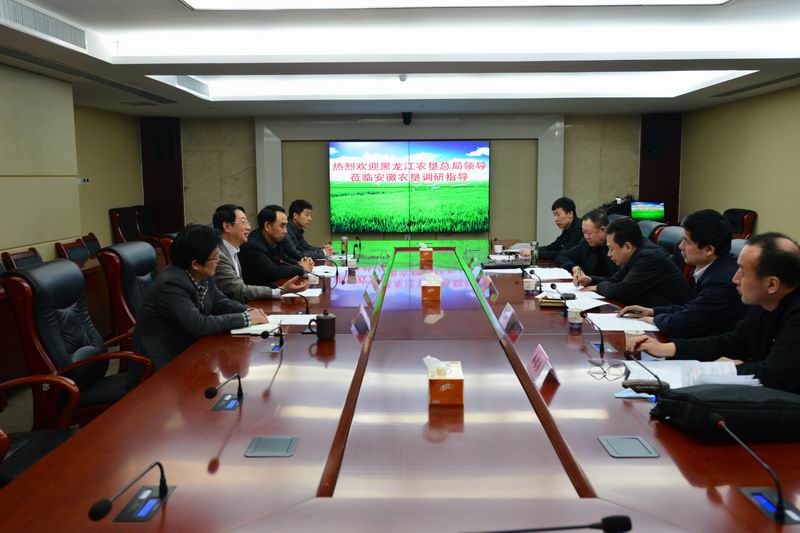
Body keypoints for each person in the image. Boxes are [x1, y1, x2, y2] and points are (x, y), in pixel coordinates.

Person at [630, 233, 800, 393]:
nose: (735, 279)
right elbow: (734, 342)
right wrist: (667, 348)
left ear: (772, 285)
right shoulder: (764, 301)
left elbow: (773, 375)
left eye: (742, 271)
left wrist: (712, 372)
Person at [131, 224, 268, 385]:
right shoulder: (171, 284)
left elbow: (221, 302)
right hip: (163, 366)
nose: (218, 261)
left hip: (192, 351)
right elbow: (198, 324)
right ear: (195, 264)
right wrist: (246, 318)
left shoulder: (202, 274)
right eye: (215, 258)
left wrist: (251, 311)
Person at [618, 210, 747, 338]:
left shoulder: (720, 281)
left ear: (709, 249)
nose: (680, 246)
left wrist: (653, 320)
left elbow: (685, 323)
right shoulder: (713, 267)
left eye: (686, 241)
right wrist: (652, 311)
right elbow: (691, 308)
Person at [576, 217, 689, 307]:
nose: (609, 254)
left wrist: (597, 287)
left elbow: (621, 291)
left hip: (665, 319)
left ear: (627, 246)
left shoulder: (648, 257)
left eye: (611, 249)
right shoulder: (636, 250)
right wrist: (590, 280)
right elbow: (615, 280)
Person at [212, 204, 308, 303]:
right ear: (227, 226)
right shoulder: (218, 255)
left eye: (247, 222)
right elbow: (239, 290)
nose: (248, 227)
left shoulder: (234, 250)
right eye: (243, 222)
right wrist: (280, 291)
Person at [239, 205, 314, 286]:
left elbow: (284, 259)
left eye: (286, 226)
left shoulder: (275, 239)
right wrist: (301, 268)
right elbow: (273, 272)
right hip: (259, 291)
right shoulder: (253, 245)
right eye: (282, 226)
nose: (285, 231)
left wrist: (302, 262)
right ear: (267, 226)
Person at [556, 209, 618, 283]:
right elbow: (562, 256)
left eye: (589, 233)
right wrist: (575, 268)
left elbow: (618, 281)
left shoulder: (617, 247)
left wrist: (591, 280)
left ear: (603, 230)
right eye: (584, 232)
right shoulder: (585, 243)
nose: (586, 237)